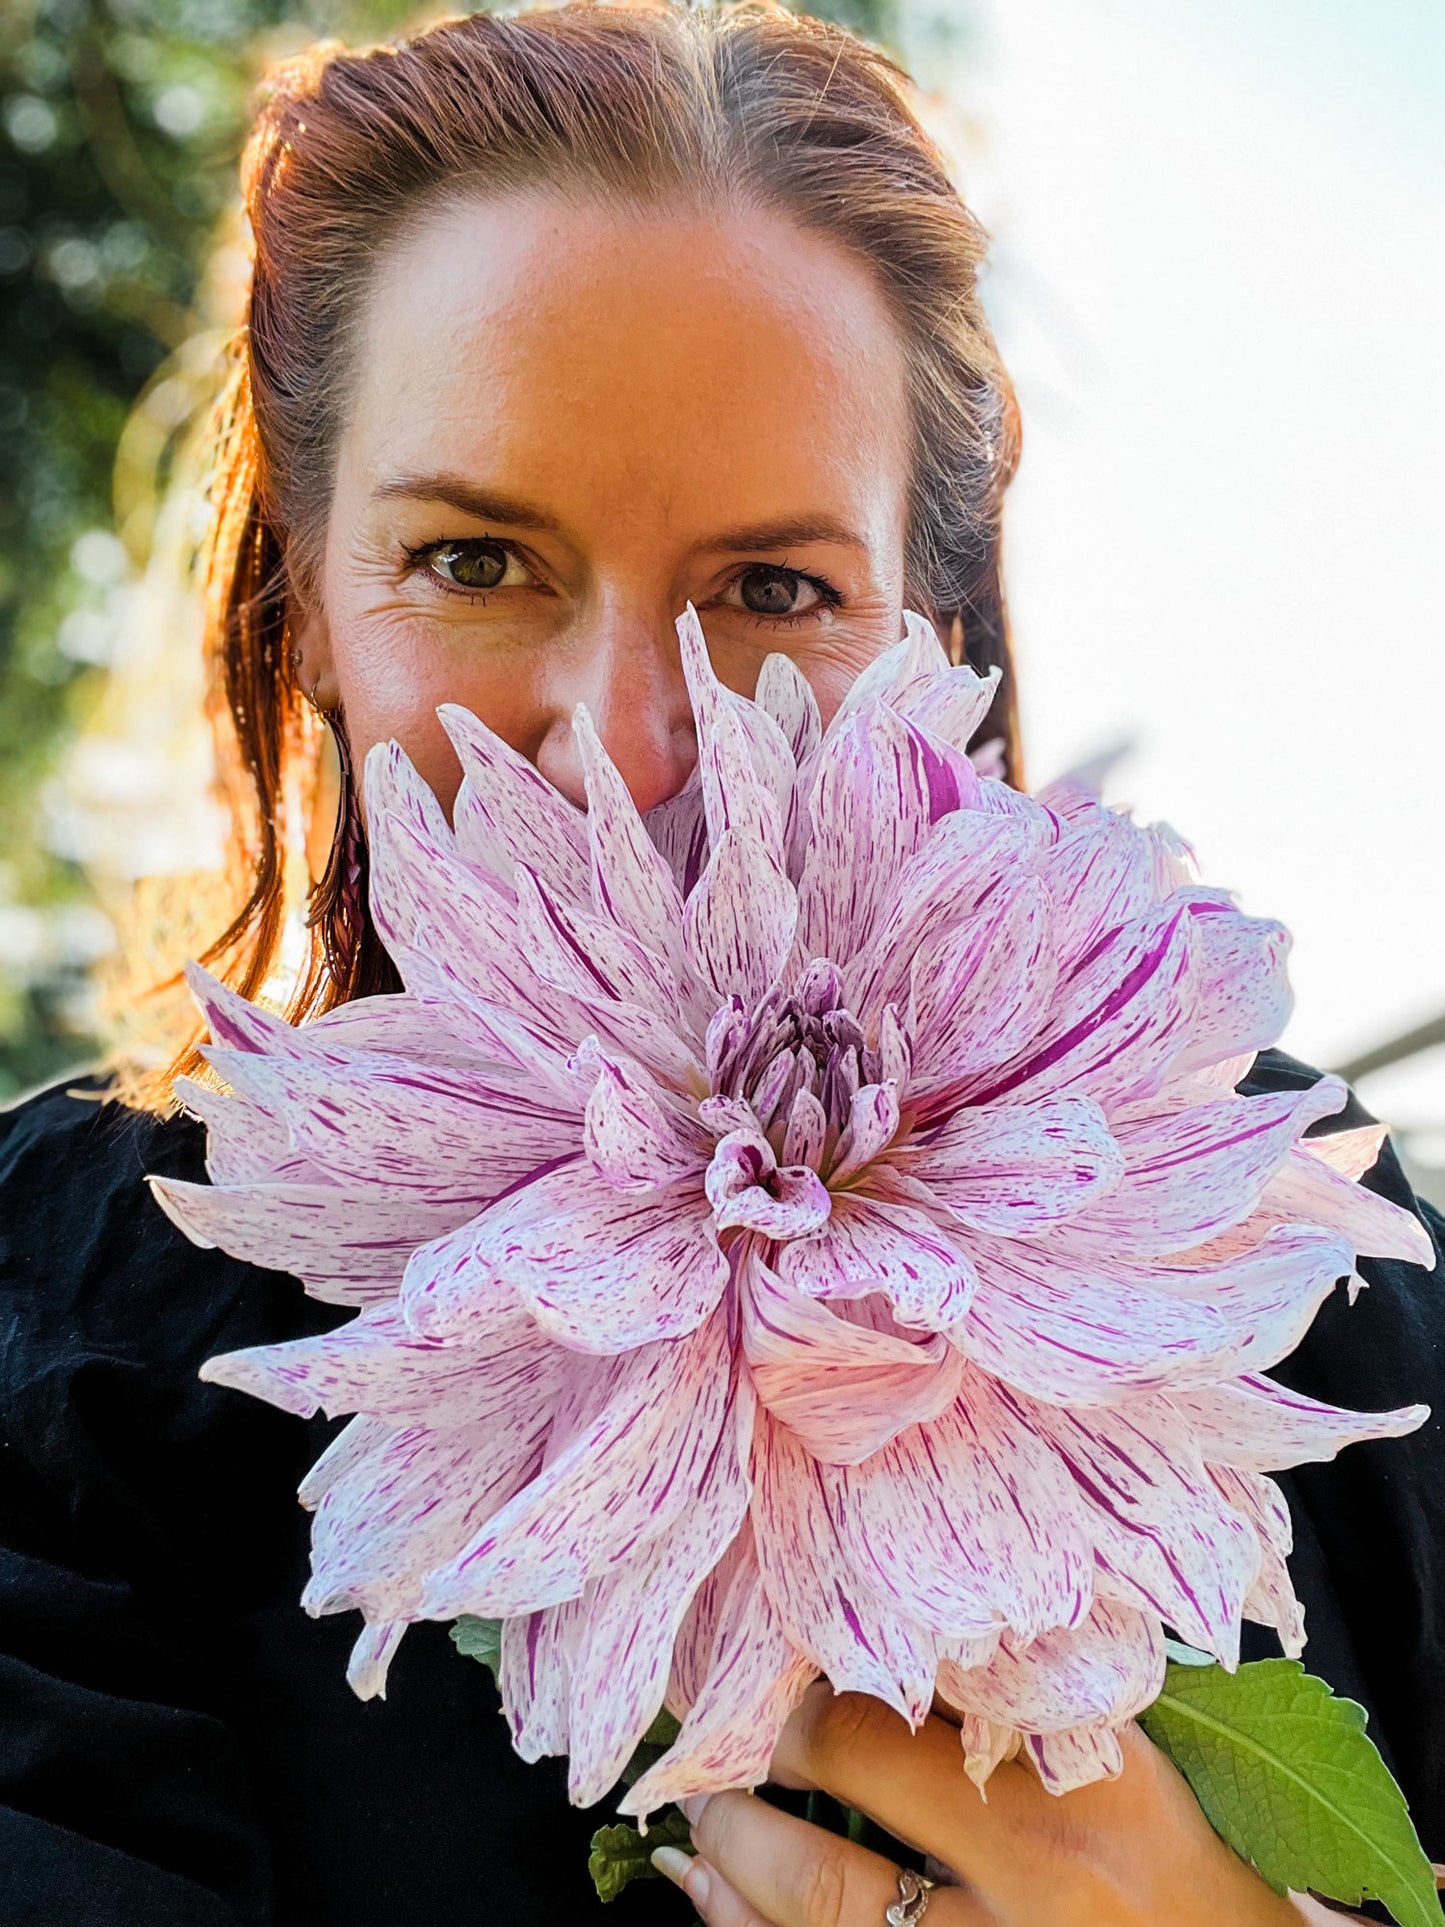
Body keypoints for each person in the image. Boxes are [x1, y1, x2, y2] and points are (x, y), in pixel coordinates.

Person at [0, 5, 1440, 1924]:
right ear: (310, 601)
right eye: (474, 561)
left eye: (772, 591)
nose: (622, 738)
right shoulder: (54, 1327)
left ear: (928, 630)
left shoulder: (1271, 1236)